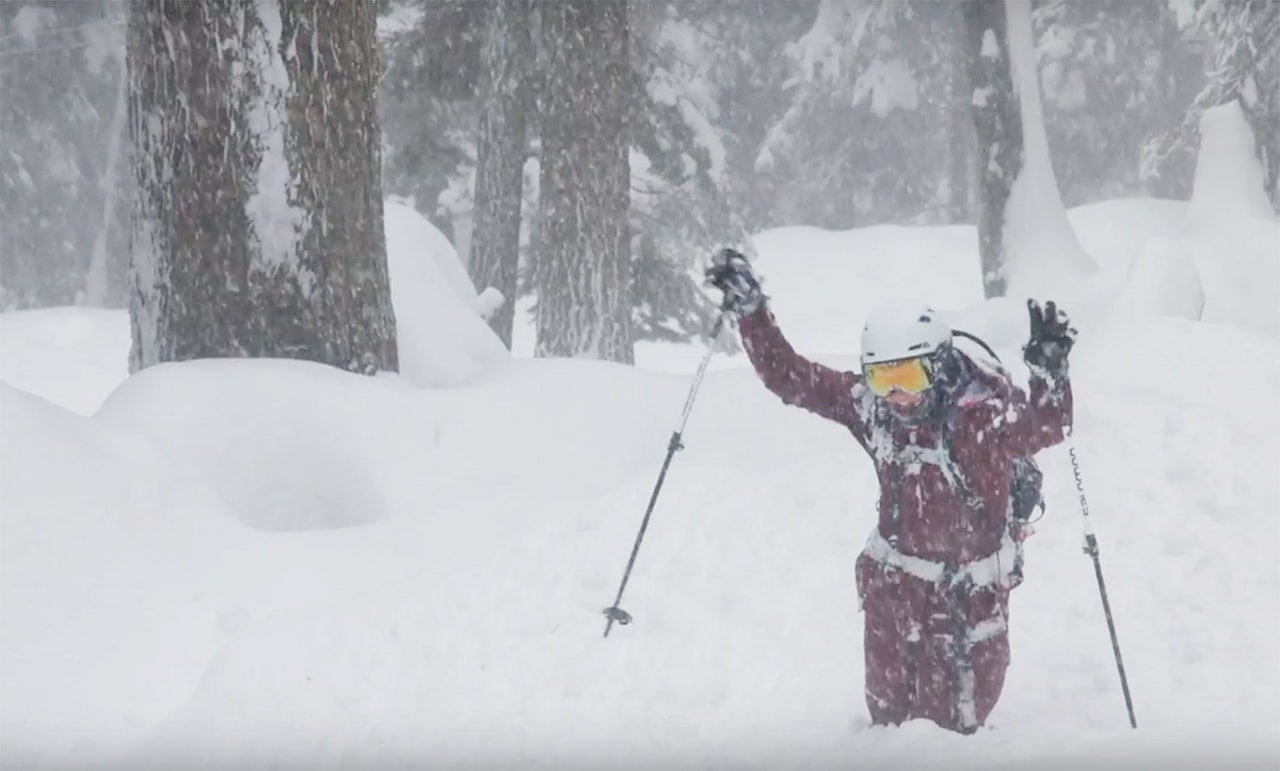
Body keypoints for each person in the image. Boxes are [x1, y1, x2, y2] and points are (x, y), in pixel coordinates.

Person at [704, 247, 1076, 734]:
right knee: (888, 722)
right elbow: (792, 379)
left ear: (938, 366)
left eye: (907, 377)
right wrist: (753, 315)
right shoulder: (875, 410)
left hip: (966, 596)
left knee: (954, 729)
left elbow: (1046, 427)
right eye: (882, 378)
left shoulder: (981, 414)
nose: (896, 395)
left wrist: (1051, 376)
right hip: (894, 593)